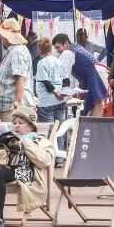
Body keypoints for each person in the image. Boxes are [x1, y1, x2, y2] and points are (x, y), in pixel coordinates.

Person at [52, 33, 106, 116]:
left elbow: (65, 75)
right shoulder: (76, 46)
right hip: (98, 74)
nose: (57, 51)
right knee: (94, 112)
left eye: (58, 47)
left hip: (96, 77)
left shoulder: (67, 52)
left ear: (66, 43)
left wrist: (61, 93)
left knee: (98, 114)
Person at [35, 38, 68, 167]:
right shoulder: (58, 61)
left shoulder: (41, 63)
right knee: (59, 128)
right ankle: (59, 159)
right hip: (61, 101)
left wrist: (56, 92)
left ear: (40, 49)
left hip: (47, 101)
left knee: (47, 129)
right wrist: (63, 92)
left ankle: (49, 158)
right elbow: (66, 80)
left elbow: (46, 82)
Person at [0, 18, 35, 121]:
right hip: (10, 105)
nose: (0, 36)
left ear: (7, 36)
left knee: (14, 135)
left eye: (2, 34)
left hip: (14, 106)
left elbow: (20, 78)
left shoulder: (16, 52)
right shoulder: (14, 51)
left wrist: (17, 100)